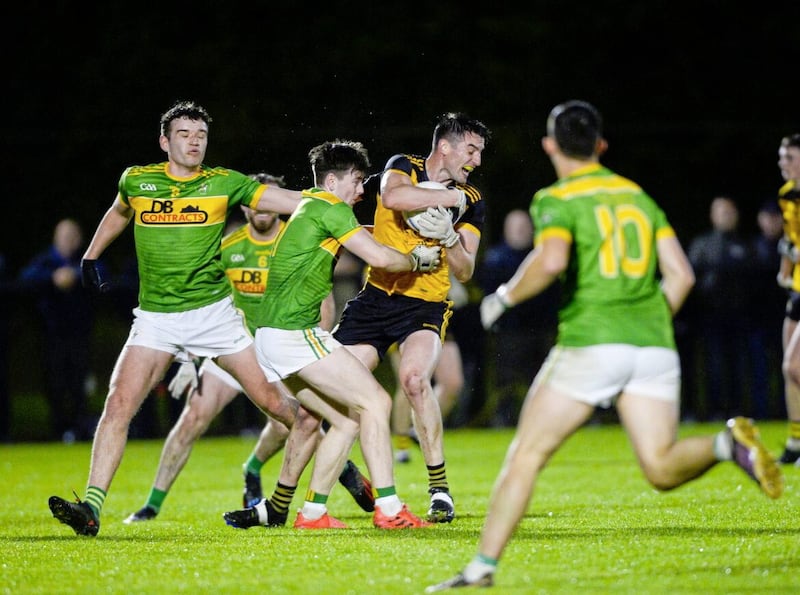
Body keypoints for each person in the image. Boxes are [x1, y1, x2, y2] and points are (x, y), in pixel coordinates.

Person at [427, 100, 784, 591]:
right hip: (654, 347)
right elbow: (680, 275)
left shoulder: (558, 196)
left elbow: (550, 261)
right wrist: (646, 325)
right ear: (601, 146)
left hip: (593, 341)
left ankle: (480, 570)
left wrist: (502, 298)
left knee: (525, 456)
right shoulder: (637, 197)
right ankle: (726, 443)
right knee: (659, 466)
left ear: (550, 145)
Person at [48, 100, 301, 537]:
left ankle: (338, 456)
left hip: (216, 316)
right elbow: (119, 211)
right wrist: (91, 255)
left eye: (201, 135)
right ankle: (91, 508)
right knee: (118, 404)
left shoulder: (224, 183)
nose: (194, 142)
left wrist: (337, 197)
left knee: (278, 405)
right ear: (165, 141)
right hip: (156, 320)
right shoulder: (138, 179)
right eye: (184, 135)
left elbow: (292, 201)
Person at [122, 173, 373, 524]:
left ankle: (277, 471)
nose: (263, 207)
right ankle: (152, 504)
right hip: (233, 345)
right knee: (193, 417)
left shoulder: (296, 234)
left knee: (297, 419)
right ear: (247, 205)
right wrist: (188, 356)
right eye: (257, 201)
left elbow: (322, 291)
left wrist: (320, 335)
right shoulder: (228, 245)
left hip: (282, 344)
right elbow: (201, 295)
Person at [222, 139, 439, 530]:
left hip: (273, 337)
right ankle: (389, 509)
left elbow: (363, 236)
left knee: (344, 420)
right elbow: (379, 258)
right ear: (334, 180)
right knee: (376, 402)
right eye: (357, 181)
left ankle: (312, 514)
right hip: (292, 333)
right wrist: (419, 258)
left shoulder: (311, 204)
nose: (362, 189)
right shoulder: (331, 207)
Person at [333, 112, 492, 523]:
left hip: (425, 303)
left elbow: (465, 269)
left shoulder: (471, 199)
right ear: (446, 146)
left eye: (479, 152)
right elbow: (393, 198)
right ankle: (345, 475)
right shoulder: (403, 165)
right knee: (325, 389)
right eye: (471, 150)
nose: (476, 160)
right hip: (374, 298)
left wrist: (450, 236)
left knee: (416, 381)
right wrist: (444, 198)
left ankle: (439, 490)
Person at [18, 218, 100, 442]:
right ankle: (58, 430)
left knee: (79, 384)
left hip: (80, 335)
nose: (69, 241)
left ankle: (80, 429)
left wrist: (76, 274)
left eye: (73, 236)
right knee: (55, 383)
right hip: (51, 335)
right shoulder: (45, 261)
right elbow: (25, 278)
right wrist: (52, 279)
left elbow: (103, 274)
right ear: (56, 238)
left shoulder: (85, 259)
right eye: (64, 236)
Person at [477, 208, 559, 427]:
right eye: (516, 227)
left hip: (542, 329)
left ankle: (543, 420)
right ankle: (504, 420)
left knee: (542, 378)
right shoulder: (496, 258)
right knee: (506, 381)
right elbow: (487, 296)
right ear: (506, 230)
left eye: (524, 227)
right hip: (510, 332)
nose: (520, 232)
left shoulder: (540, 255)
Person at [686, 196, 754, 420]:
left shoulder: (744, 244)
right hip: (710, 317)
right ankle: (712, 410)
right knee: (712, 366)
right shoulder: (702, 244)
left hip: (738, 318)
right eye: (722, 212)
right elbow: (692, 279)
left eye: (730, 212)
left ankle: (737, 409)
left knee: (739, 366)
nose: (727, 216)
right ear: (712, 216)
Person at [391, 270, 467, 463]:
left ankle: (417, 430)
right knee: (408, 381)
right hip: (402, 314)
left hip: (436, 314)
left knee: (452, 383)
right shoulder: (393, 240)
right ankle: (401, 447)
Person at [774, 133, 800, 464]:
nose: (783, 163)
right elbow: (788, 237)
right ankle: (795, 443)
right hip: (797, 287)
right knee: (790, 370)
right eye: (782, 157)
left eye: (789, 157)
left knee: (793, 365)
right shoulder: (786, 195)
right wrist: (785, 270)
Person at [749, 199, 786, 419]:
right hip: (757, 321)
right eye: (767, 217)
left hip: (785, 318)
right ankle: (761, 412)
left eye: (776, 217)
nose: (771, 222)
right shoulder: (752, 248)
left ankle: (785, 411)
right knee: (759, 371)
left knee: (787, 368)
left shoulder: (790, 246)